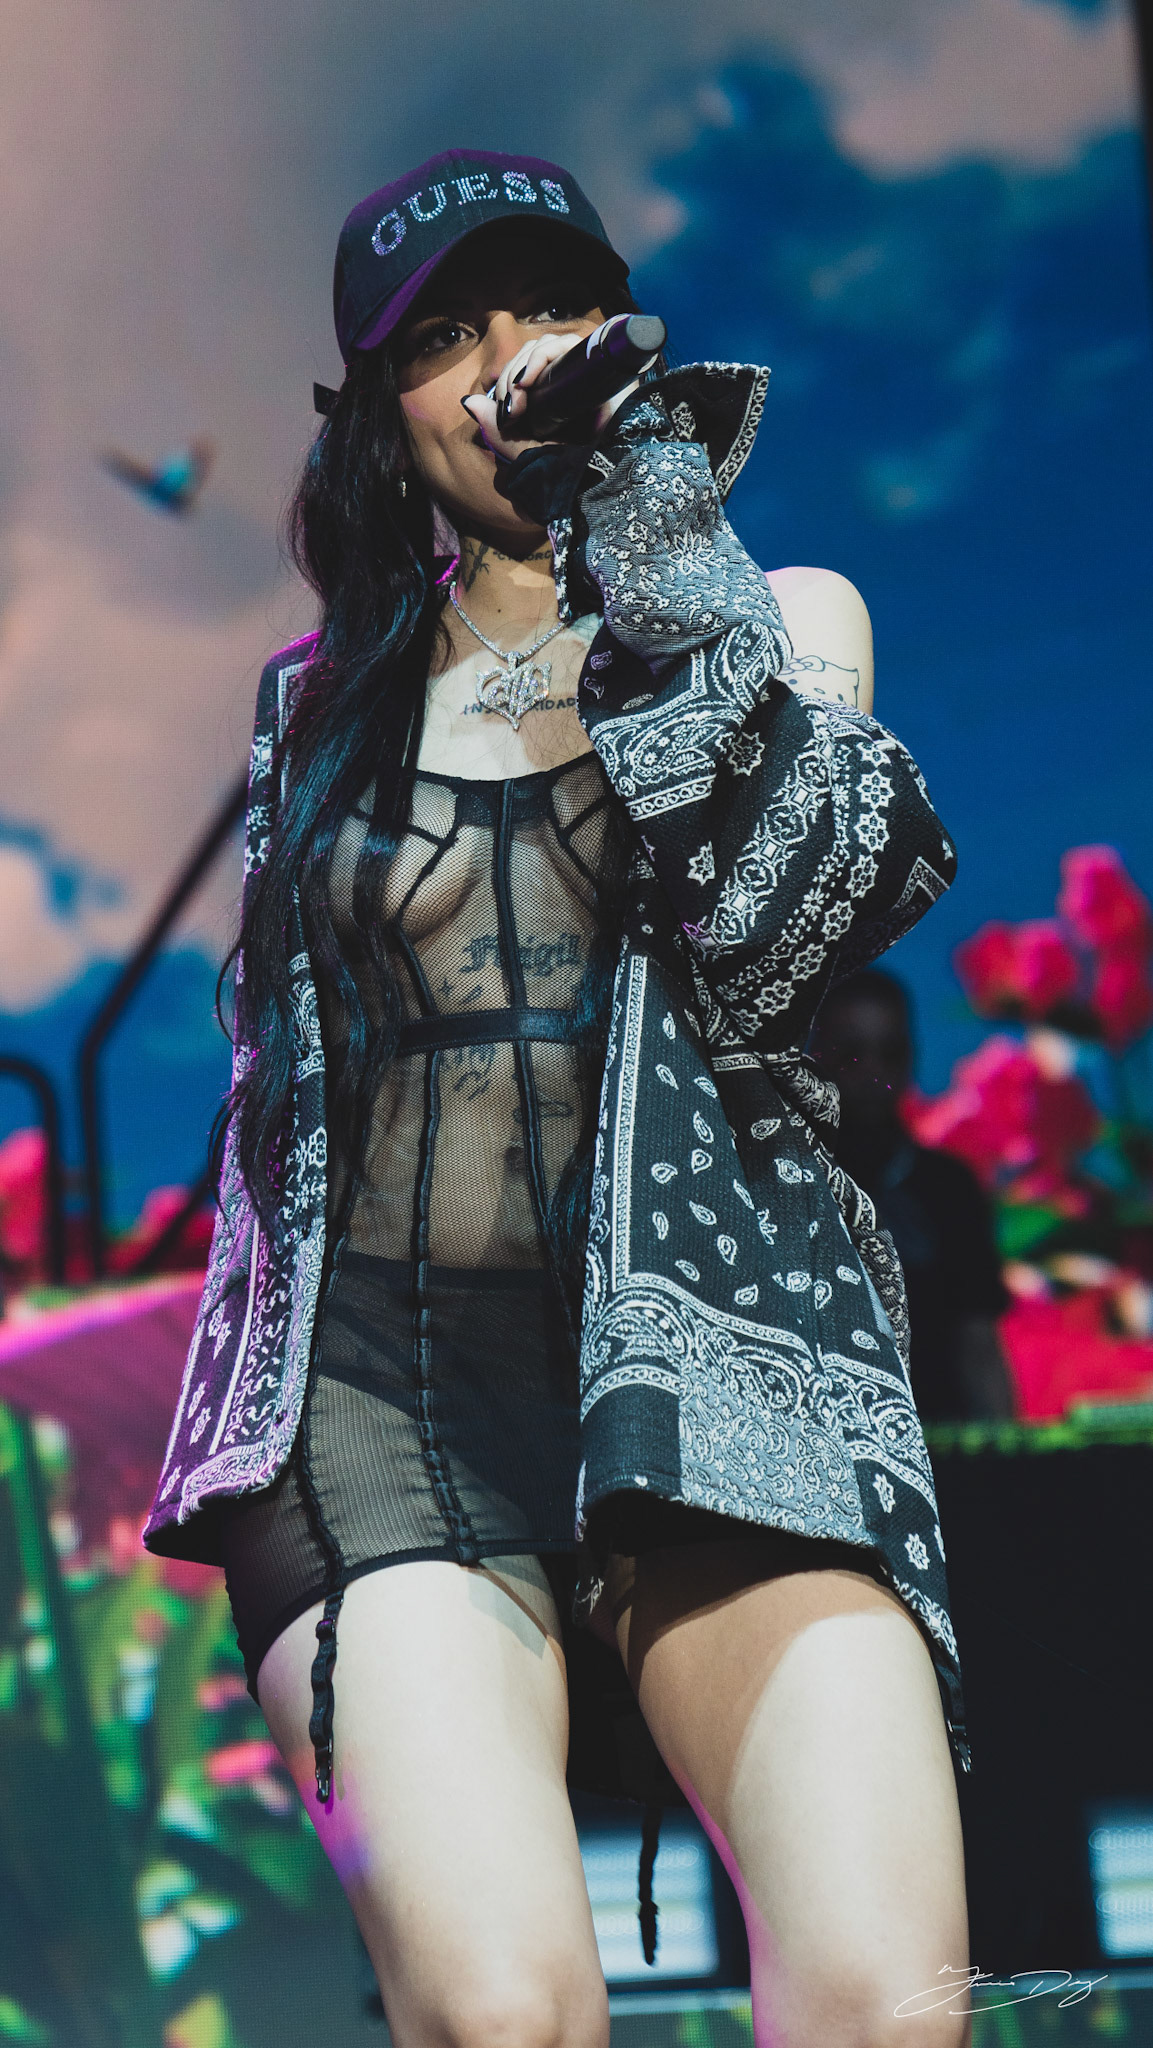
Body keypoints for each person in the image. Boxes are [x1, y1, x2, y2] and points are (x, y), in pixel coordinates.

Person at [145, 151, 973, 2047]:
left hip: (721, 1358)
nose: (508, 360)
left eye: (545, 310)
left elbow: (782, 929)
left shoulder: (786, 615)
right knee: (506, 2012)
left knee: (883, 2002)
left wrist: (650, 524)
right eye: (446, 335)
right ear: (384, 413)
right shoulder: (312, 709)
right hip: (379, 1396)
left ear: (619, 340)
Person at [810, 971, 1014, 1424]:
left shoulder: (949, 1188)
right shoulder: (786, 1183)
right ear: (815, 1058)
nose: (873, 1072)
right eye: (852, 1055)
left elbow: (979, 1344)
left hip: (938, 1444)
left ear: (911, 1058)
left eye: (891, 1053)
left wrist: (1007, 1456)